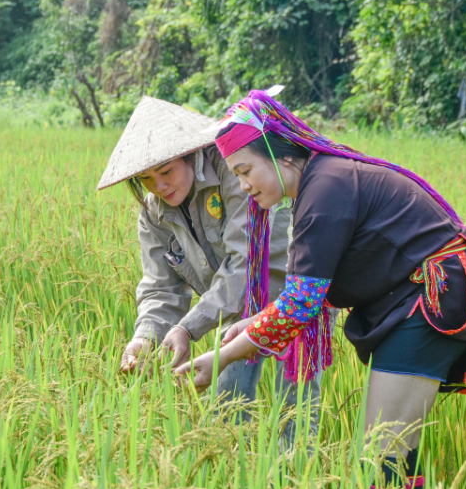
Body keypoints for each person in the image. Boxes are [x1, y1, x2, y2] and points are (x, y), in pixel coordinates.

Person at [176, 87, 466, 489]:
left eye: (246, 170)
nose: (244, 185)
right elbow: (304, 293)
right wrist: (250, 326)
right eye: (235, 175)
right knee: (391, 453)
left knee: (382, 454)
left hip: (427, 299)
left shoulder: (326, 189)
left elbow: (301, 304)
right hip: (410, 302)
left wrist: (224, 356)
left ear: (281, 154)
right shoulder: (321, 184)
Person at [98, 96, 320, 447]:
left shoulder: (236, 174)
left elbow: (246, 267)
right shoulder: (154, 214)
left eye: (166, 171)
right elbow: (160, 289)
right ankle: (234, 482)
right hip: (231, 312)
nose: (159, 186)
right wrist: (145, 337)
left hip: (295, 298)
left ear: (190, 154)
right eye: (146, 179)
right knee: (225, 407)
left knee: (294, 408)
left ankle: (296, 485)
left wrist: (187, 327)